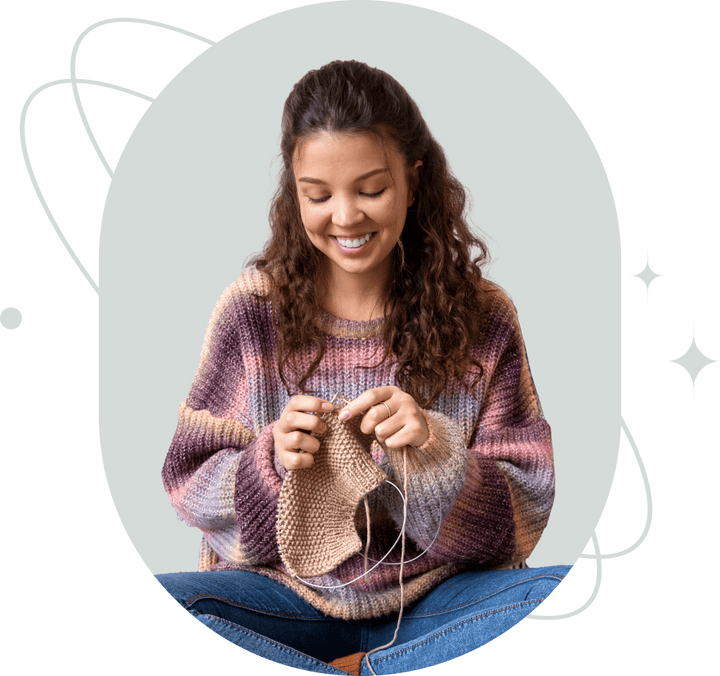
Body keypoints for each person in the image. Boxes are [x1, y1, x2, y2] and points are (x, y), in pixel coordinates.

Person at [157, 60, 571, 676]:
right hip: (285, 601)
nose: (345, 217)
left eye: (371, 189)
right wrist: (269, 462)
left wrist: (435, 452)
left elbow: (525, 513)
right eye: (318, 195)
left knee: (570, 596)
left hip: (439, 604)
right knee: (163, 604)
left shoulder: (484, 316)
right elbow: (187, 478)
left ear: (413, 178)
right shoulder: (252, 310)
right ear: (293, 190)